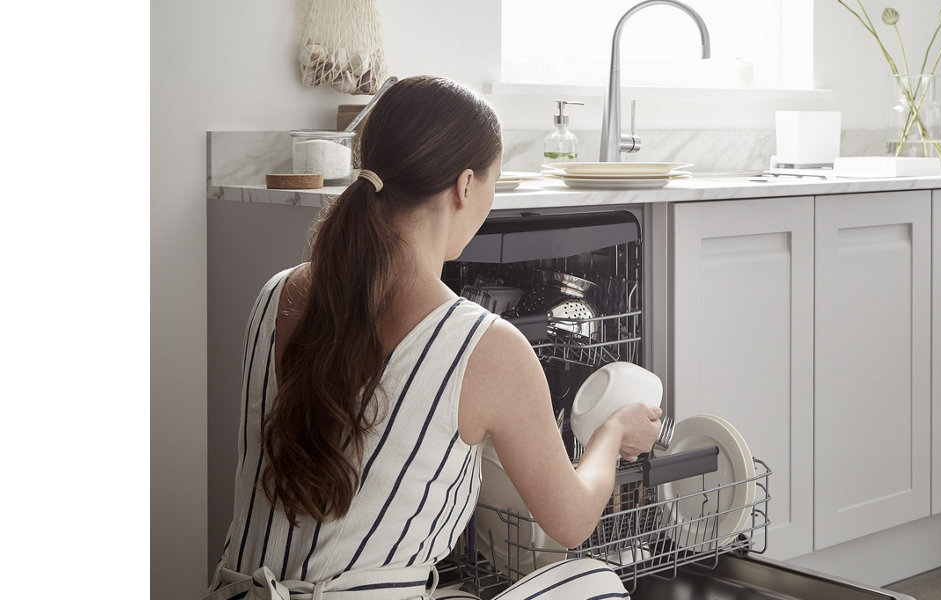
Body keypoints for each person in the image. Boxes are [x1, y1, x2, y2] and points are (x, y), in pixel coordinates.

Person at [203, 75, 663, 600]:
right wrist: (612, 433)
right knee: (596, 586)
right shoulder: (486, 345)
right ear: (465, 186)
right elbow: (573, 519)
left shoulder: (276, 294)